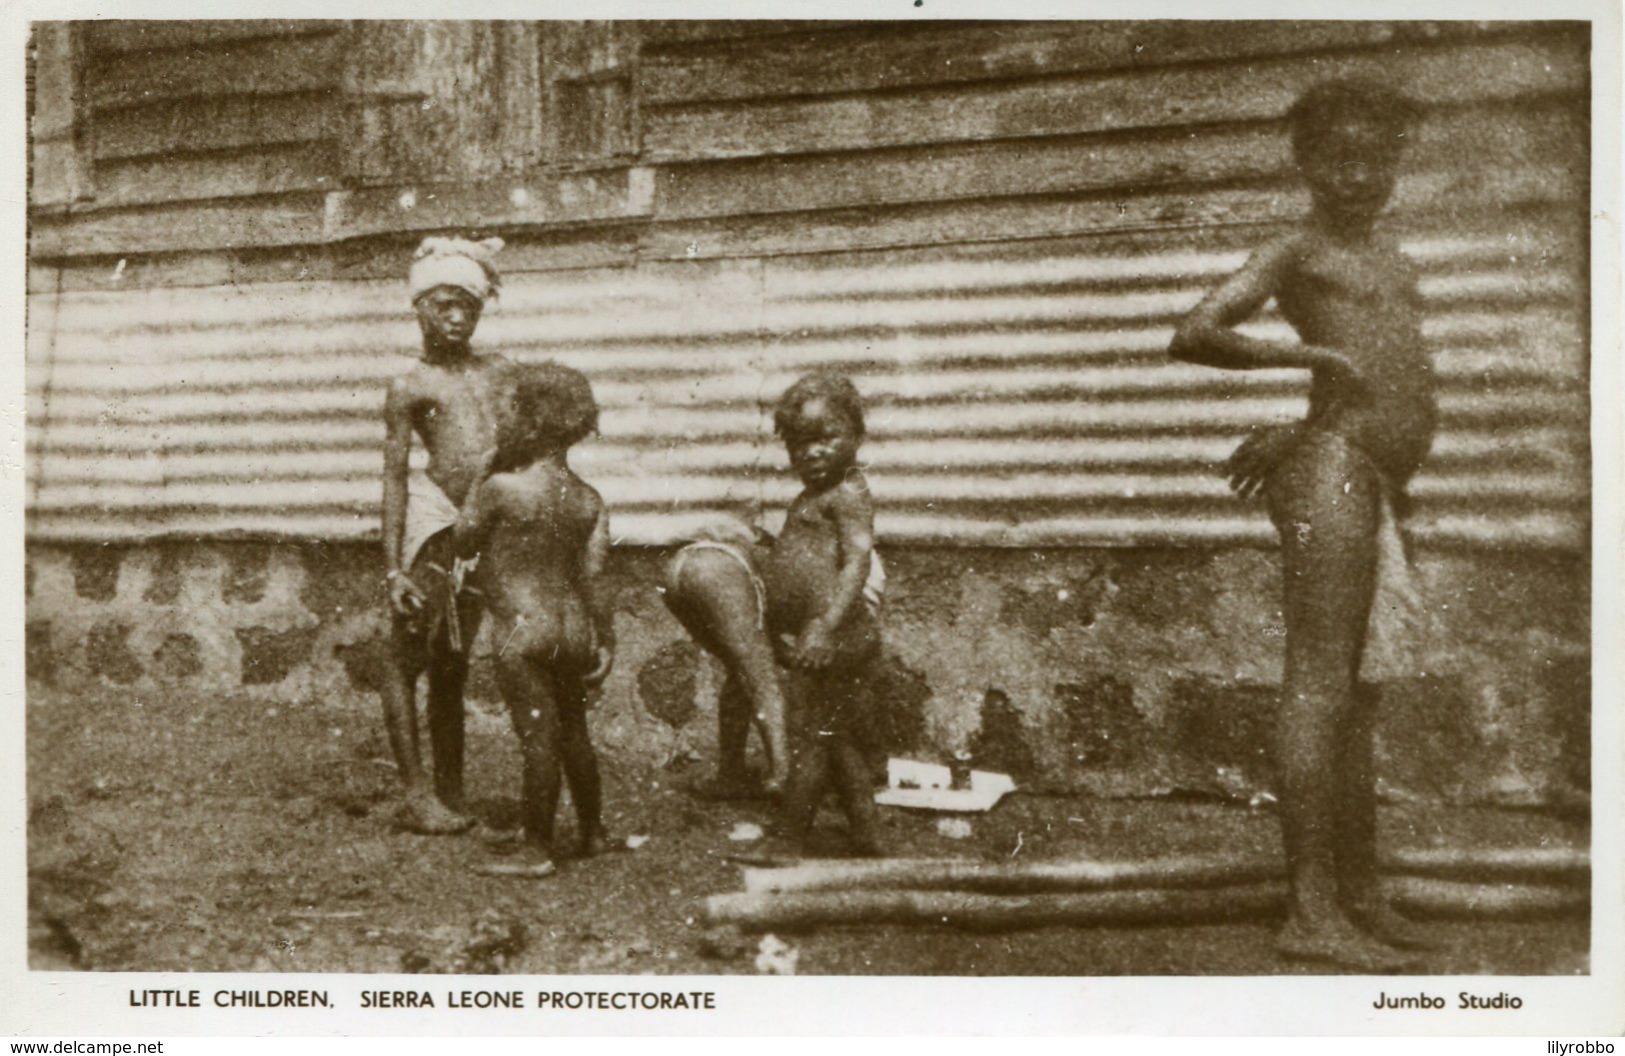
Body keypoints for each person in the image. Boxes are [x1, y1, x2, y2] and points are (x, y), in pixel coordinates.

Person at [1169, 78, 1436, 970]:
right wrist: (1311, 358)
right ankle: (1310, 912)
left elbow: (1389, 377)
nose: (1360, 176)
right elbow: (1195, 331)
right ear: (1307, 163)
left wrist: (1314, 414)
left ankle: (1360, 896)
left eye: (1377, 158)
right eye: (1340, 158)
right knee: (1319, 687)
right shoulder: (1295, 250)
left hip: (1367, 475)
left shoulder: (1391, 257)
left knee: (1356, 700)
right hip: (1333, 472)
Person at [453, 362, 615, 878]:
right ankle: (592, 832)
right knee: (575, 734)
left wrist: (480, 474)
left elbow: (463, 539)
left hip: (523, 631)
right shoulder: (590, 500)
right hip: (574, 631)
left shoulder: (504, 488)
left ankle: (538, 848)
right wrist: (604, 638)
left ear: (529, 421)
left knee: (538, 738)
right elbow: (594, 577)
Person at [379, 235, 511, 834]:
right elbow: (395, 478)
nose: (457, 318)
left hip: (484, 522)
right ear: (419, 307)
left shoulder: (501, 372)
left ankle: (452, 795)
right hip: (435, 526)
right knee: (406, 655)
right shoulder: (411, 386)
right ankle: (415, 791)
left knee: (454, 663)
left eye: (468, 306)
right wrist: (393, 566)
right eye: (443, 305)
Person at [764, 372, 887, 857]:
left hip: (833, 636)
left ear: (856, 436)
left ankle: (790, 841)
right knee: (836, 743)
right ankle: (866, 831)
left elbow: (858, 561)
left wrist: (823, 626)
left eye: (824, 439)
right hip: (817, 637)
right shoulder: (813, 496)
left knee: (811, 742)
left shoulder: (848, 493)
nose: (811, 453)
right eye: (798, 444)